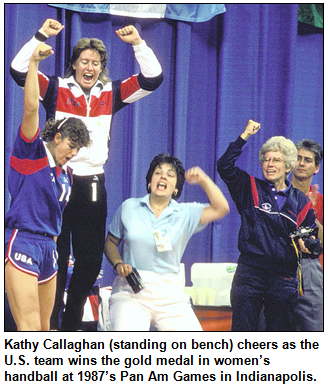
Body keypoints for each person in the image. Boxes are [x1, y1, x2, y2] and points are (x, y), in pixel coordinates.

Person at [10, 19, 163, 331]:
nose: (89, 67)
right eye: (84, 61)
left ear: (101, 66)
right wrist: (39, 35)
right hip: (57, 182)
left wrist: (137, 43)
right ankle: (49, 328)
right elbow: (17, 68)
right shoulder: (55, 88)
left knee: (90, 262)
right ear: (74, 64)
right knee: (57, 256)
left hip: (93, 183)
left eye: (95, 62)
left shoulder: (112, 93)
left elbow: (153, 78)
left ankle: (69, 327)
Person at [5, 43, 90, 331]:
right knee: (28, 330)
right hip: (24, 240)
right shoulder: (32, 154)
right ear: (56, 137)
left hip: (48, 248)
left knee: (46, 329)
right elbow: (30, 108)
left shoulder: (66, 174)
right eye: (71, 146)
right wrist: (33, 64)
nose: (74, 153)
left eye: (78, 149)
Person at [104, 153, 229, 331]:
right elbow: (110, 242)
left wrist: (203, 179)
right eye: (158, 173)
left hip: (170, 294)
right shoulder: (129, 207)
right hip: (131, 291)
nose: (163, 176)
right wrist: (118, 264)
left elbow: (221, 208)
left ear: (176, 189)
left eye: (170, 175)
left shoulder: (186, 213)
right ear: (149, 182)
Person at [217, 120, 318, 331]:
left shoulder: (302, 202)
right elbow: (224, 166)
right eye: (266, 159)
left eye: (276, 160)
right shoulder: (249, 187)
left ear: (288, 166)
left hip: (284, 278)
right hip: (250, 274)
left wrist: (309, 245)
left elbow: (313, 240)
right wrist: (244, 135)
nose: (270, 164)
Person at [291, 139, 323, 331]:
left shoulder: (321, 202)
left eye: (308, 160)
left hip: (309, 273)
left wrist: (310, 213)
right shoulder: (277, 195)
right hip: (277, 269)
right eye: (298, 158)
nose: (301, 163)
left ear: (316, 168)